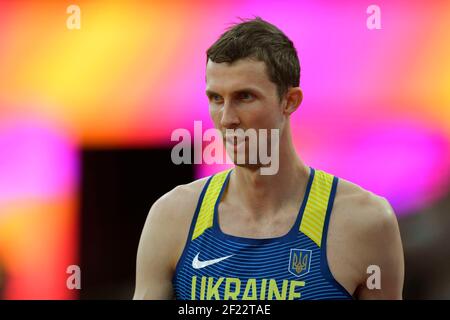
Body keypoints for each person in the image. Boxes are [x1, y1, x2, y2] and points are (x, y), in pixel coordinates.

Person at [133, 17, 404, 300]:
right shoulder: (173, 217)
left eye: (245, 97)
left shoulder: (366, 221)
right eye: (216, 99)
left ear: (289, 101)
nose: (227, 119)